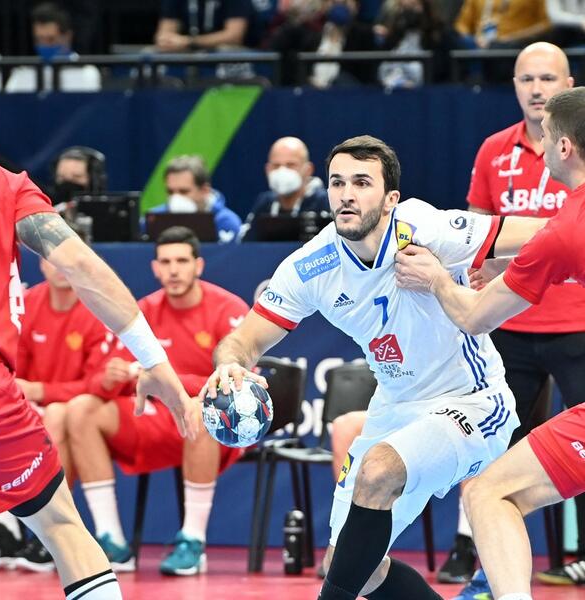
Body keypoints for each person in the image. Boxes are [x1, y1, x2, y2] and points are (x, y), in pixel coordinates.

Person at [202, 134, 552, 600]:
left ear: (391, 199)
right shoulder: (311, 265)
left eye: (362, 183)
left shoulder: (426, 228)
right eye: (337, 183)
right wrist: (229, 364)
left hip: (472, 400)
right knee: (352, 565)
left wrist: (497, 266)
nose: (346, 195)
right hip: (395, 406)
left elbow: (544, 233)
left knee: (377, 470)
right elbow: (244, 340)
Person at [394, 86, 585, 600]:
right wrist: (519, 267)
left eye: (546, 137)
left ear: (564, 147)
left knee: (488, 491)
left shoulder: (565, 228)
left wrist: (437, 278)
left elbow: (474, 316)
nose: (540, 147)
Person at [0, 156, 196, 599]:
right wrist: (154, 361)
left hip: (65, 405)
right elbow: (81, 265)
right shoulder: (0, 184)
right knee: (61, 527)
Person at [66, 226, 248, 574]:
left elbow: (239, 383)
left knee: (201, 411)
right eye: (165, 262)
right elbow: (103, 381)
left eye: (182, 261)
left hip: (209, 424)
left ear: (198, 265)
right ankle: (110, 541)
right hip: (153, 420)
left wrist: (172, 383)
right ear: (154, 268)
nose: (173, 270)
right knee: (80, 411)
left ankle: (192, 540)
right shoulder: (141, 311)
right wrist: (110, 379)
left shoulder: (228, 309)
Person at [0, 227, 110, 572]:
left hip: (81, 410)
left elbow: (100, 384)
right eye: (50, 257)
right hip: (27, 408)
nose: (59, 264)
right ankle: (5, 529)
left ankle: (68, 533)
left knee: (63, 414)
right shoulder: (25, 304)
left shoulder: (103, 305)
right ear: (40, 263)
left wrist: (43, 392)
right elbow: (9, 369)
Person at [241, 136, 329, 241]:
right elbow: (246, 244)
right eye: (276, 165)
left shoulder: (325, 202)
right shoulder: (264, 203)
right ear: (267, 169)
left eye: (291, 165)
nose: (282, 171)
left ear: (308, 169)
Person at [5, 2, 102, 93]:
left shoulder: (86, 73)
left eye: (50, 39)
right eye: (39, 39)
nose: (44, 45)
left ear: (67, 36)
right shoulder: (23, 73)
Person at [147, 155, 241, 243]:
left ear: (204, 190)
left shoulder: (226, 222)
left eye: (183, 191)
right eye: (170, 192)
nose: (175, 198)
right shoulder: (153, 220)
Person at [154, 0, 253, 52]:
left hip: (229, 58)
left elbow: (234, 37)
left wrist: (189, 42)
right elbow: (164, 35)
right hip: (187, 58)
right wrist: (168, 42)